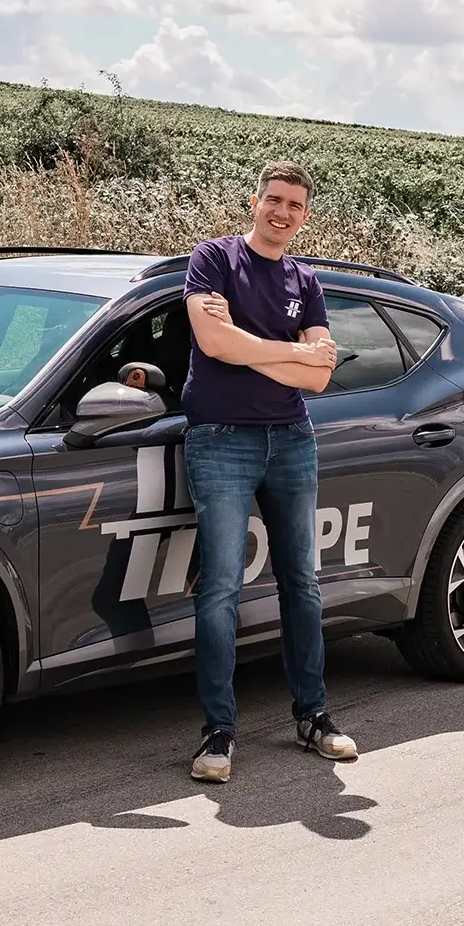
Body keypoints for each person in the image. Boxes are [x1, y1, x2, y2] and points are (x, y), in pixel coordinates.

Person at [180, 162, 356, 784]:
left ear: (305, 215)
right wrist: (289, 350)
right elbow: (216, 346)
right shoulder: (213, 261)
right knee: (221, 585)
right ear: (254, 201)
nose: (282, 214)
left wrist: (257, 348)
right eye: (273, 201)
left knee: (301, 583)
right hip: (220, 440)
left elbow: (318, 377)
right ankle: (218, 734)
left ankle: (314, 718)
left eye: (295, 206)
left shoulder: (305, 280)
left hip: (291, 440)